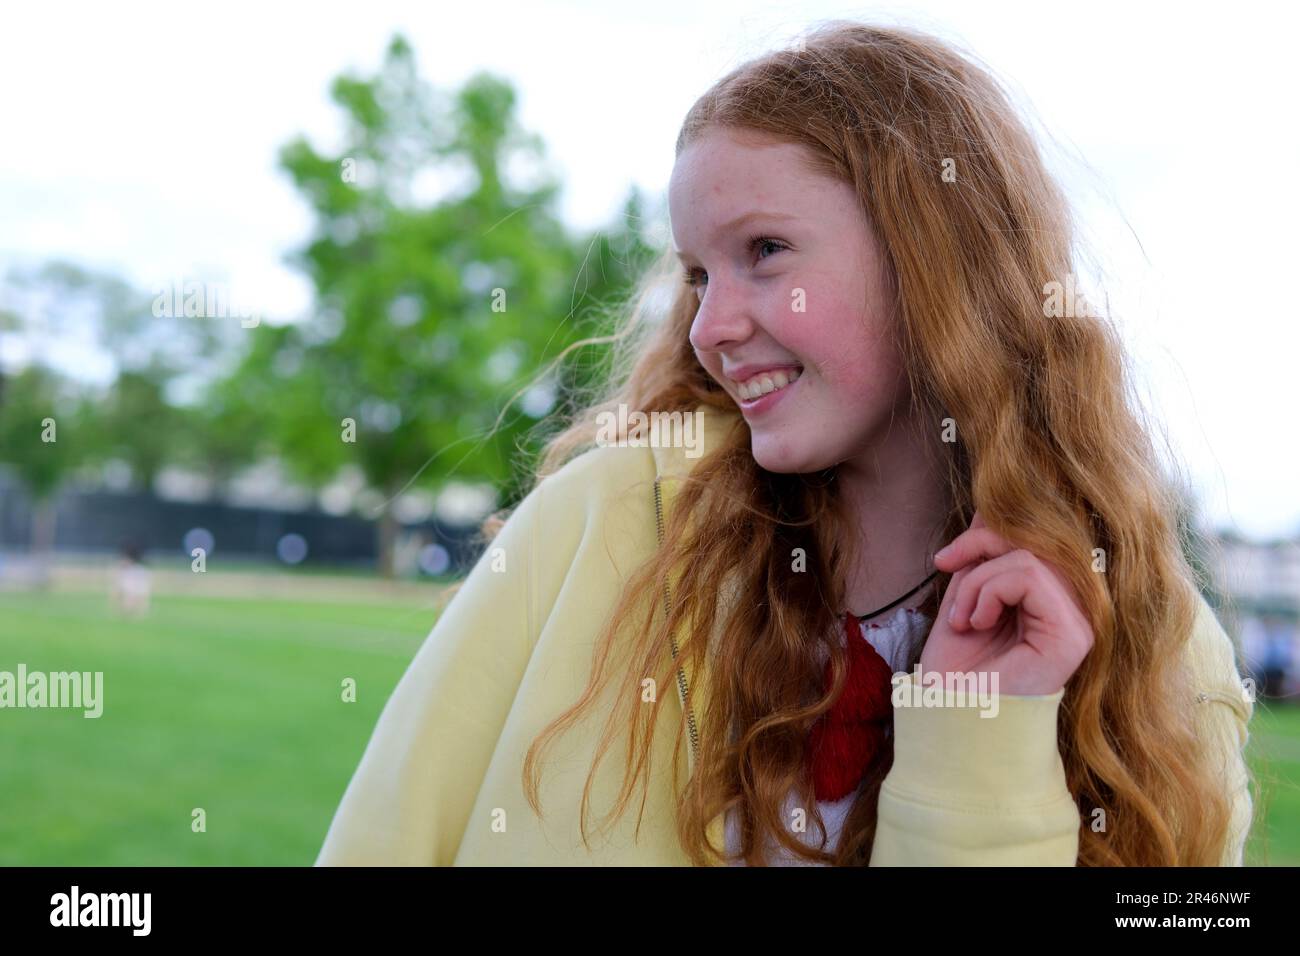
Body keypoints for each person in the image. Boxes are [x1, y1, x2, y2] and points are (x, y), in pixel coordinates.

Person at [316, 21, 1254, 866]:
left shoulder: (1154, 644)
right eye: (696, 273)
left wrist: (981, 741)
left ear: (933, 257)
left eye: (763, 250)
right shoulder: (596, 523)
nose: (706, 327)